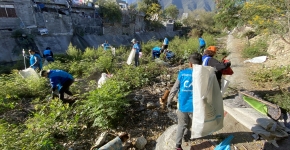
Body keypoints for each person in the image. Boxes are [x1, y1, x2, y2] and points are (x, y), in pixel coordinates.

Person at [167, 52, 202, 150]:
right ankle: (187, 136)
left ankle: (178, 145)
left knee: (181, 125)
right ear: (201, 63)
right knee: (191, 123)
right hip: (196, 106)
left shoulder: (182, 73)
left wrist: (169, 100)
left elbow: (174, 88)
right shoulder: (203, 75)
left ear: (190, 63)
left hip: (183, 105)